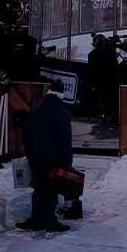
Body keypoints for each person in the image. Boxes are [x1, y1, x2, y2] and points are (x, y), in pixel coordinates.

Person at [19, 79, 74, 232]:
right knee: (51, 190)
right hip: (53, 159)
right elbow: (64, 139)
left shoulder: (35, 109)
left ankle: (36, 218)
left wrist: (30, 154)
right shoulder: (61, 112)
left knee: (38, 187)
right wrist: (66, 161)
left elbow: (26, 134)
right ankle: (49, 220)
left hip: (36, 158)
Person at [86, 33, 121, 128]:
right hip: (109, 82)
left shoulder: (92, 55)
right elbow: (115, 67)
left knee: (105, 100)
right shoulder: (109, 54)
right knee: (110, 100)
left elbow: (91, 71)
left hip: (101, 83)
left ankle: (106, 117)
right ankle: (110, 118)